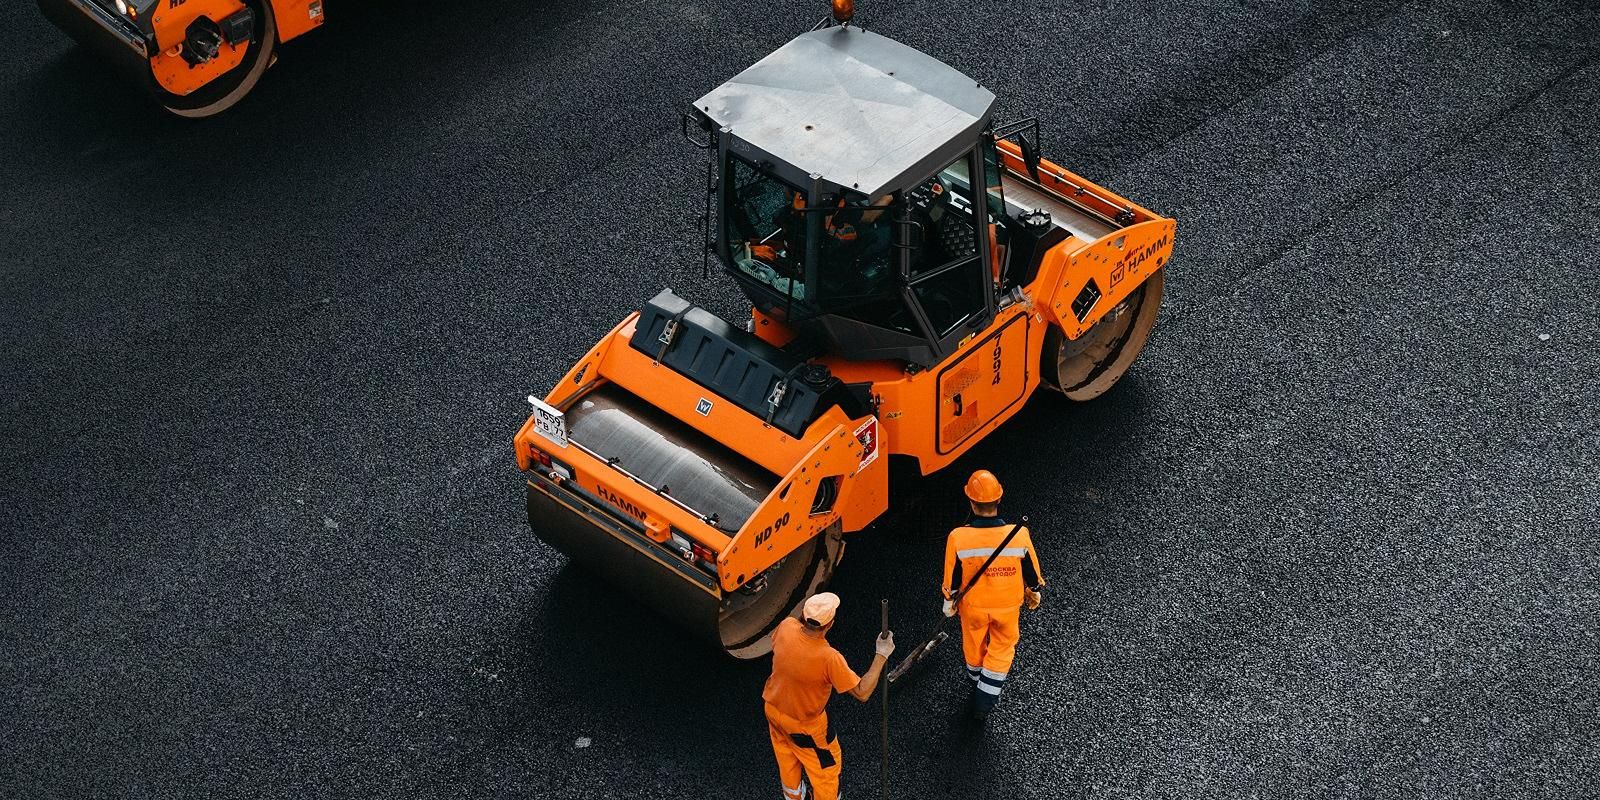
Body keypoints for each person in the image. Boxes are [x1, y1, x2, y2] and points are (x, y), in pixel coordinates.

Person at [763, 592, 895, 800]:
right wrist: (881, 654)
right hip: (806, 728)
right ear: (830, 624)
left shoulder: (786, 627)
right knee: (826, 773)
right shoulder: (828, 658)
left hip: (773, 711)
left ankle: (793, 796)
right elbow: (862, 692)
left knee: (787, 758)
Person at [941, 470, 1045, 721]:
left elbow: (952, 576)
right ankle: (985, 698)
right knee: (1002, 647)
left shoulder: (958, 537)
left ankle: (977, 681)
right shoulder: (1019, 534)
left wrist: (949, 600)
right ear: (999, 500)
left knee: (973, 645)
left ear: (971, 502)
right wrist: (1034, 590)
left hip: (973, 606)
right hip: (1007, 605)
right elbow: (1031, 570)